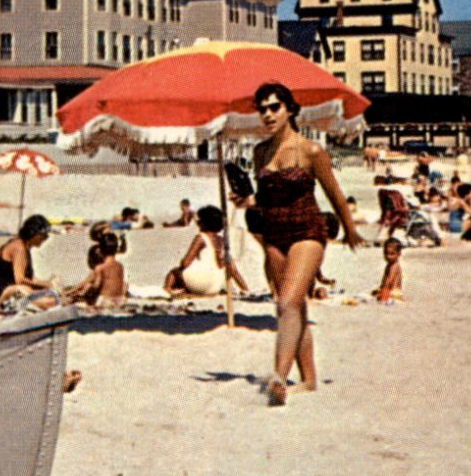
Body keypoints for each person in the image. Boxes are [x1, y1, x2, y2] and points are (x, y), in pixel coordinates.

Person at [232, 82, 362, 406]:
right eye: (262, 109)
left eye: (274, 107)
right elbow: (263, 200)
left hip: (308, 231)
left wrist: (350, 230)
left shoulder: (310, 151)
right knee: (295, 306)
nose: (267, 114)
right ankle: (309, 379)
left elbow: (334, 193)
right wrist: (247, 201)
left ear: (290, 109)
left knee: (286, 303)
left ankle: (278, 376)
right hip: (274, 234)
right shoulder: (259, 152)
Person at [164, 204, 249, 297]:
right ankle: (186, 290)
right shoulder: (222, 241)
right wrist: (245, 288)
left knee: (174, 272)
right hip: (215, 287)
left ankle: (168, 290)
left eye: (199, 221)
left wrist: (182, 265)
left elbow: (185, 263)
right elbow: (233, 270)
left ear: (203, 223)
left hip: (201, 285)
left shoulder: (201, 238)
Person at [0, 214, 54, 312]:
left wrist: (45, 285)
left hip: (5, 292)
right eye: (44, 236)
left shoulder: (22, 246)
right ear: (34, 234)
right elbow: (20, 280)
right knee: (45, 300)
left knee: (46, 293)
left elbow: (27, 278)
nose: (46, 239)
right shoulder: (19, 248)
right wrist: (46, 285)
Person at [63, 228, 128, 308]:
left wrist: (83, 296)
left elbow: (96, 286)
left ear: (100, 251)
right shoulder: (120, 266)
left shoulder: (100, 268)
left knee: (85, 296)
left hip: (105, 301)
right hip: (119, 300)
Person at [374, 238, 405, 303]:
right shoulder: (389, 265)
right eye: (386, 253)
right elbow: (384, 280)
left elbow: (389, 281)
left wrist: (382, 291)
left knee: (382, 296)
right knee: (375, 292)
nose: (388, 256)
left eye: (392, 254)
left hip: (395, 292)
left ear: (399, 254)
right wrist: (380, 288)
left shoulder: (395, 266)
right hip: (390, 291)